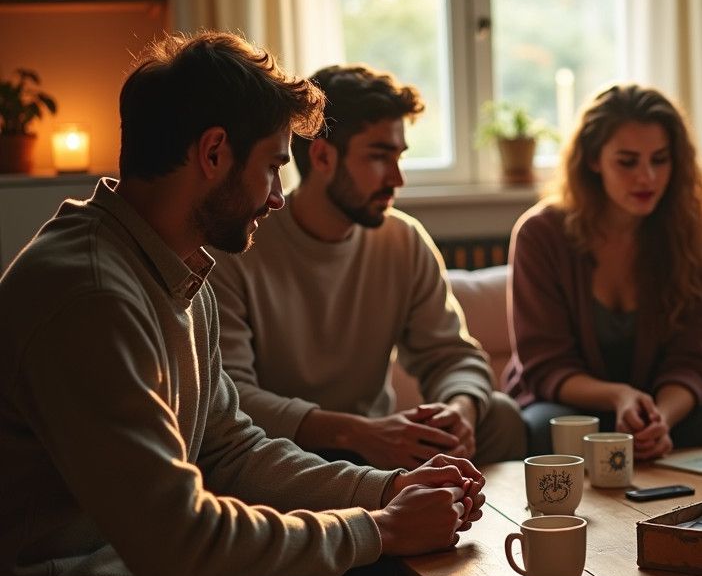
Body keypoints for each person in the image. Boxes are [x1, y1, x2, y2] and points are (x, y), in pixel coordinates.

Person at [0, 32, 485, 576]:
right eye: (274, 167)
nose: (279, 196)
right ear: (213, 153)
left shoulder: (175, 265)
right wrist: (374, 526)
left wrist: (382, 493)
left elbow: (231, 449)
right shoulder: (91, 295)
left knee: (370, 564)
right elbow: (182, 550)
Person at [210, 64, 526, 471]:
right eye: (379, 157)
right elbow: (232, 394)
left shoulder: (403, 239)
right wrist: (355, 432)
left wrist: (460, 409)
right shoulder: (240, 244)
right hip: (284, 448)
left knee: (499, 416)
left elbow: (452, 356)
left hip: (379, 445)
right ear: (322, 156)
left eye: (399, 157)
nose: (397, 179)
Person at [504, 84, 702, 459]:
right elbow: (545, 365)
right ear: (592, 160)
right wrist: (620, 395)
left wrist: (660, 419)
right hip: (570, 404)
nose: (647, 177)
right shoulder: (541, 234)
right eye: (628, 161)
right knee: (544, 429)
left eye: (660, 159)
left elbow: (696, 361)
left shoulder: (701, 239)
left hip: (658, 407)